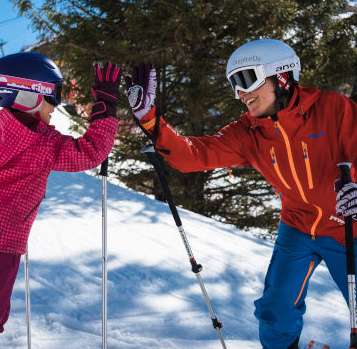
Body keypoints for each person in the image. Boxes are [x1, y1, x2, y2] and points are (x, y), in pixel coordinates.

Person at [124, 40, 357, 349]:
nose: (241, 93)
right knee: (277, 309)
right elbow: (194, 154)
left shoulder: (333, 108)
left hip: (347, 226)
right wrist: (150, 119)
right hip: (298, 225)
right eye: (234, 84)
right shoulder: (249, 132)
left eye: (247, 80)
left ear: (281, 76)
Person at [0, 52, 122, 348]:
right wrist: (106, 108)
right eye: (53, 96)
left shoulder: (0, 128)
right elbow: (90, 152)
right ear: (28, 96)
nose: (56, 107)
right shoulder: (37, 142)